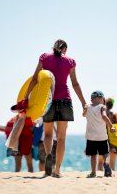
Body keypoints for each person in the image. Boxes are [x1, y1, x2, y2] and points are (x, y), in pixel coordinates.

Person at [12, 39, 87, 177]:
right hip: (65, 100)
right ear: (65, 49)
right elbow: (75, 84)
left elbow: (35, 79)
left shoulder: (44, 58)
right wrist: (83, 103)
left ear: (53, 48)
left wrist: (26, 97)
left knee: (47, 134)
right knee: (61, 137)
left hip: (48, 101)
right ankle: (57, 170)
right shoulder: (70, 61)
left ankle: (48, 154)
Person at [83, 91, 116, 178]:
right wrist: (111, 126)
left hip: (91, 137)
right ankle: (106, 163)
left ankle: (93, 172)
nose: (103, 100)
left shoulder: (88, 107)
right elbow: (104, 116)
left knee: (93, 155)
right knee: (105, 153)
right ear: (99, 98)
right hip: (102, 136)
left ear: (92, 99)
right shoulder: (102, 107)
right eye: (103, 99)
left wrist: (86, 109)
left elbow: (83, 115)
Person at [98, 98, 117, 171]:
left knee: (100, 161)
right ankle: (111, 175)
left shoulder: (102, 114)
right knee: (112, 162)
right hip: (114, 140)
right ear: (112, 105)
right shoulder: (116, 115)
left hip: (103, 138)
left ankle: (99, 176)